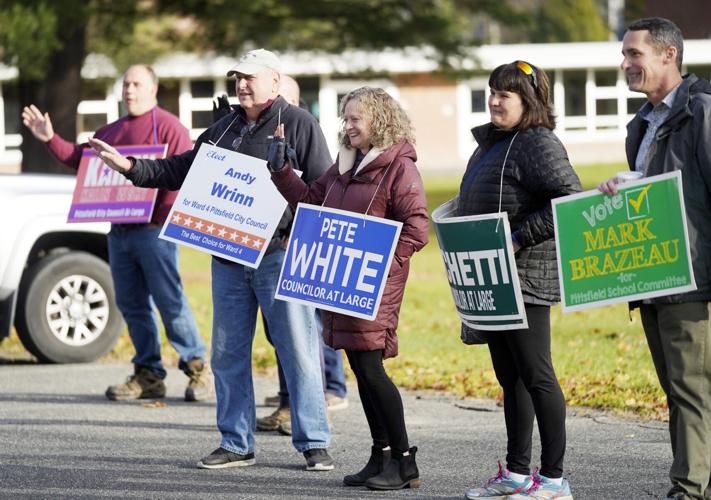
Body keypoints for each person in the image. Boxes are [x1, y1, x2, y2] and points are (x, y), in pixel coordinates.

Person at [89, 49, 335, 472]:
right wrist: (128, 166)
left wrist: (302, 240)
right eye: (238, 77)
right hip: (227, 259)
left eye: (251, 78)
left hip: (278, 255)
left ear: (275, 82)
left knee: (298, 351)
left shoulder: (298, 124)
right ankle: (237, 443)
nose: (242, 85)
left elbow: (323, 190)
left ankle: (313, 441)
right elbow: (178, 170)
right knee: (227, 354)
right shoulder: (224, 129)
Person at [267, 86, 429, 490]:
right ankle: (381, 455)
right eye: (346, 118)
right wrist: (282, 172)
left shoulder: (399, 167)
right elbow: (309, 203)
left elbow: (418, 229)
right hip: (342, 282)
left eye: (355, 118)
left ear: (379, 120)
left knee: (372, 369)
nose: (348, 125)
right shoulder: (344, 166)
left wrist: (379, 265)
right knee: (359, 367)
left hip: (375, 285)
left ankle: (405, 460)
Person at [21, 65, 211, 402]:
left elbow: (184, 175)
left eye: (137, 84)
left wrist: (163, 220)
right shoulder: (111, 131)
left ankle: (196, 366)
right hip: (119, 233)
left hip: (154, 233)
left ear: (153, 89)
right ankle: (148, 374)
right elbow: (81, 160)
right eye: (125, 84)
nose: (129, 90)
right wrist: (50, 138)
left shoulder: (170, 128)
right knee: (132, 304)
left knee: (170, 302)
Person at [598, 18, 711, 500]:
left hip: (692, 279)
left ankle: (689, 488)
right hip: (651, 277)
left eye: (634, 55)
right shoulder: (642, 124)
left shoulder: (702, 111)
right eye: (624, 55)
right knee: (680, 390)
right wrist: (623, 188)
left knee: (691, 389)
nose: (625, 64)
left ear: (669, 55)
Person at [457, 61, 580, 499]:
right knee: (510, 378)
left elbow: (569, 199)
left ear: (528, 101)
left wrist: (518, 237)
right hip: (492, 279)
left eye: (504, 94)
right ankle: (516, 473)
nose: (493, 100)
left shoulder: (537, 143)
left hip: (526, 277)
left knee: (536, 374)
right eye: (491, 91)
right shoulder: (491, 144)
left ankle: (554, 480)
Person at [256, 74, 348, 437]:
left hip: (300, 245)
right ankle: (288, 400)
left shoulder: (306, 132)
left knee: (310, 330)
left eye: (288, 102)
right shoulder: (264, 135)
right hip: (267, 248)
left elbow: (320, 194)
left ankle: (330, 392)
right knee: (281, 332)